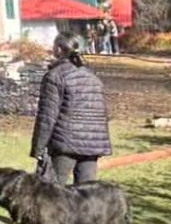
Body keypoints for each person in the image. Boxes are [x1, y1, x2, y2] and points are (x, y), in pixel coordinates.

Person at [30, 33, 112, 185]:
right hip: (92, 145)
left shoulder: (54, 76)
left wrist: (38, 148)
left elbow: (47, 116)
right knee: (85, 196)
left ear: (59, 49)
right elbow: (103, 112)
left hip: (65, 144)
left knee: (50, 194)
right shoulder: (92, 77)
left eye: (54, 46)